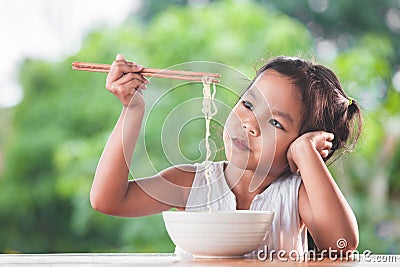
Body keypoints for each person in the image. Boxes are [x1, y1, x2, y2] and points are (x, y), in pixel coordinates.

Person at [90, 54, 362, 255]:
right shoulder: (191, 183)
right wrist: (133, 109)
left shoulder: (295, 195)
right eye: (248, 104)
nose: (249, 124)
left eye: (276, 123)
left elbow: (341, 245)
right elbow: (108, 200)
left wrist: (306, 155)